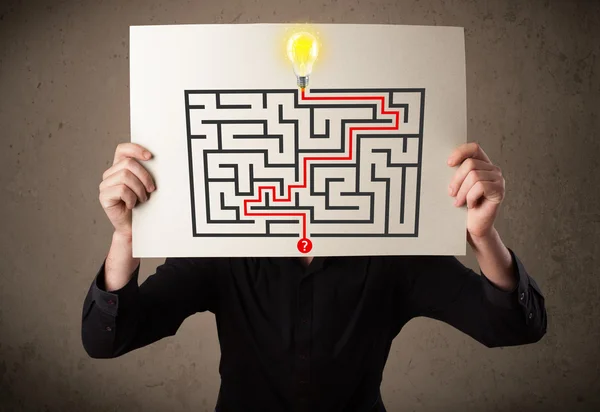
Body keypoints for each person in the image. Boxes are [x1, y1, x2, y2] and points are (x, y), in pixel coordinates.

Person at [81, 142, 547, 412]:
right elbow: (109, 338)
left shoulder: (394, 250)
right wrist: (126, 238)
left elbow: (515, 326)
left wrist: (485, 238)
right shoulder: (224, 245)